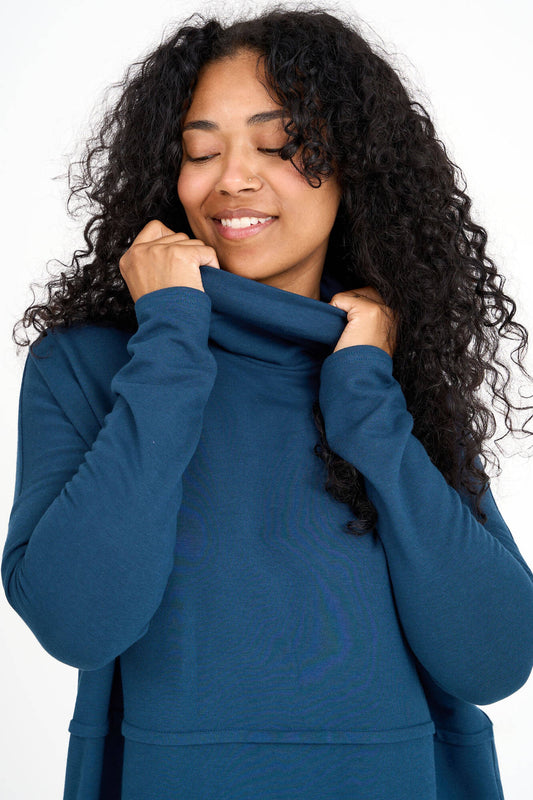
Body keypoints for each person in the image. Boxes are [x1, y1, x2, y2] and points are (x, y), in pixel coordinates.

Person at [3, 5, 533, 799]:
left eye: (281, 145)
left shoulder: (387, 362)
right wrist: (170, 341)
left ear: (355, 166)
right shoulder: (91, 365)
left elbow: (492, 659)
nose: (232, 178)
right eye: (200, 151)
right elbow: (78, 622)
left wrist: (369, 406)